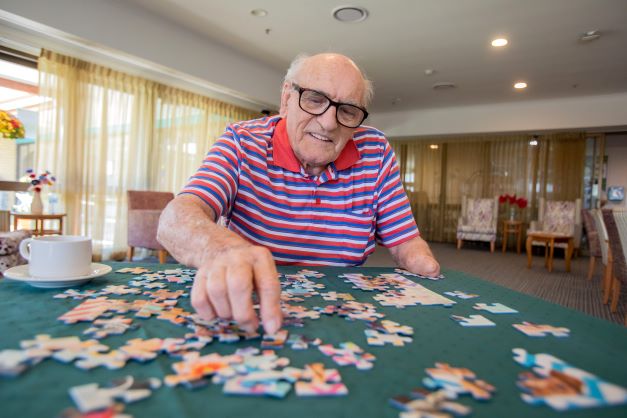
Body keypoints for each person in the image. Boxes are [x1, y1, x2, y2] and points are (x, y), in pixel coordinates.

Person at [157, 53, 440, 335]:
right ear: (286, 99)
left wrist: (423, 264)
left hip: (343, 314)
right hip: (251, 307)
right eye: (315, 99)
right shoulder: (242, 141)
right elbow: (176, 219)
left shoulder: (376, 152)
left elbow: (405, 242)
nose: (329, 123)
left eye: (348, 111)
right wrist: (225, 250)